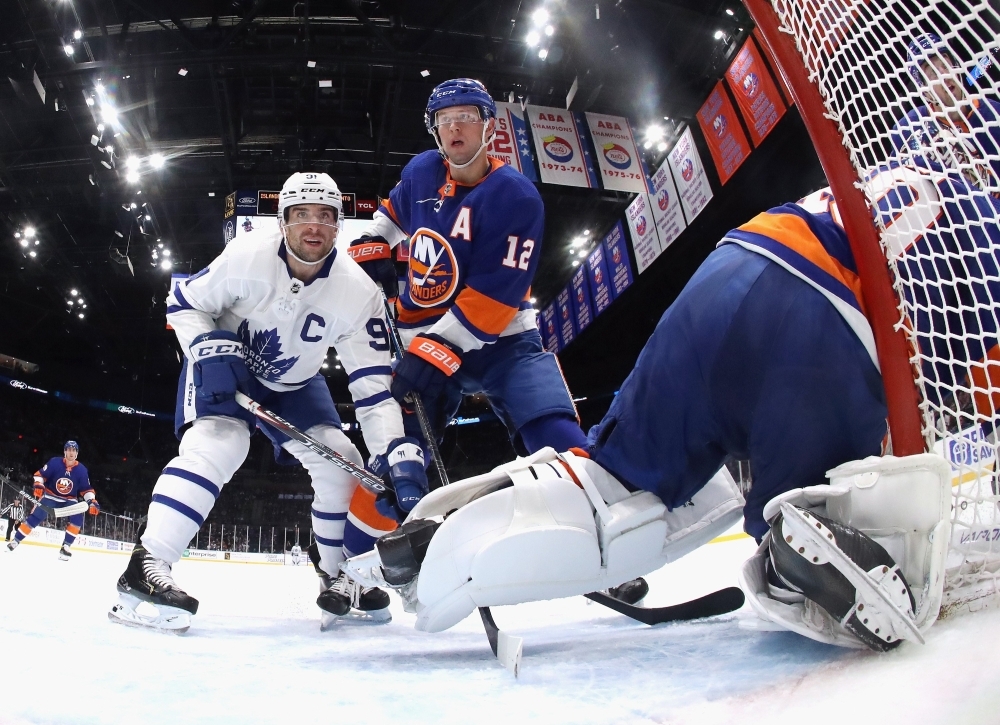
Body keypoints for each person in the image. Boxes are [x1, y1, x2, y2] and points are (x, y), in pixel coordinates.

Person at [351, 162, 998, 652]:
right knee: (857, 536)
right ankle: (807, 541)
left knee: (616, 484)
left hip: (734, 265)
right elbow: (969, 376)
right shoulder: (986, 223)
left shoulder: (926, 170)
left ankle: (440, 538)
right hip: (826, 323)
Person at [346, 78, 650, 603]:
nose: (454, 127)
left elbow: (494, 299)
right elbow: (389, 220)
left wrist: (433, 348)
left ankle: (611, 550)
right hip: (425, 339)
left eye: (465, 116)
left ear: (490, 126)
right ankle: (351, 568)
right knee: (397, 454)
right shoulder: (421, 170)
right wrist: (373, 243)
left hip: (501, 338)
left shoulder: (515, 197)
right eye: (443, 120)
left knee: (554, 429)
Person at [110, 171, 429, 633]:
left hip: (295, 384)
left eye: (325, 216)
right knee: (221, 443)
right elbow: (183, 302)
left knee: (344, 461)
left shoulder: (359, 292)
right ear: (283, 221)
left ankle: (338, 574)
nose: (313, 226)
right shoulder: (246, 255)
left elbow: (374, 387)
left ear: (339, 225)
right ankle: (147, 564)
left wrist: (391, 453)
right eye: (301, 215)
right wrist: (206, 349)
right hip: (228, 366)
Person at [891, 33, 1000, 197]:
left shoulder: (993, 113)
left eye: (945, 65)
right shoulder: (909, 128)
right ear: (925, 88)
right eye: (933, 73)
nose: (944, 75)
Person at [7, 441, 100, 559]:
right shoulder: (55, 462)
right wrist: (38, 484)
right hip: (51, 496)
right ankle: (16, 541)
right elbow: (40, 475)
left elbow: (86, 489)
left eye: (74, 450)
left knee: (77, 518)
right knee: (35, 517)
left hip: (69, 500)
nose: (71, 452)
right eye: (69, 449)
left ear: (77, 453)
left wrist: (91, 501)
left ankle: (65, 547)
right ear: (65, 451)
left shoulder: (82, 470)